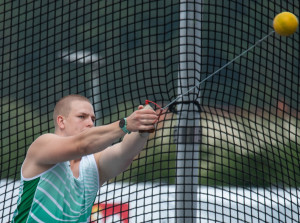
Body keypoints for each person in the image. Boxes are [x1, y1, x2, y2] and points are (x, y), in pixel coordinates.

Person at [12, 94, 158, 222]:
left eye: (92, 118)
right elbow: (81, 145)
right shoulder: (43, 145)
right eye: (82, 116)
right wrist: (125, 124)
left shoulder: (92, 166)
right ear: (61, 121)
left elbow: (124, 152)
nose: (90, 123)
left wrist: (142, 130)